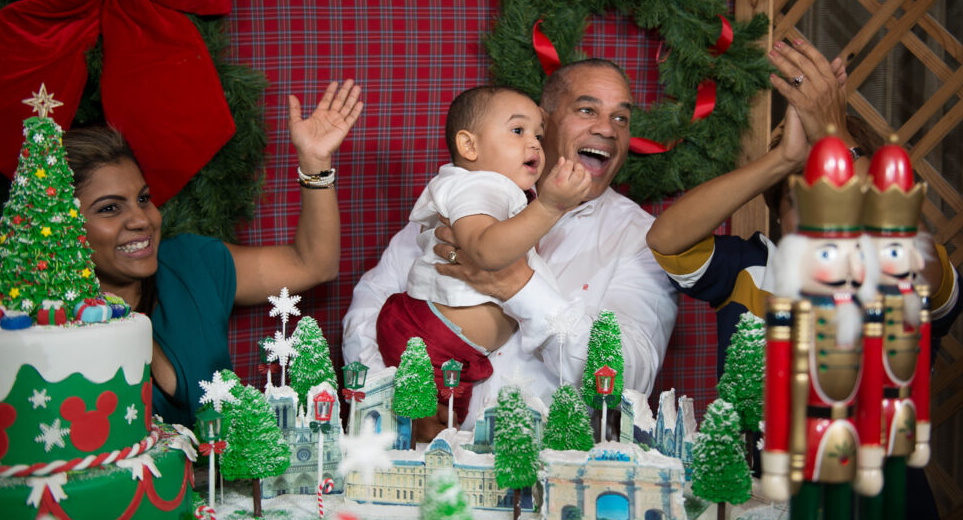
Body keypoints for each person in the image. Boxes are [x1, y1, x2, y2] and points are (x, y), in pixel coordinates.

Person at [645, 39, 963, 520]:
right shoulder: (752, 269)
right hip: (758, 516)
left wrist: (832, 135)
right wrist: (786, 158)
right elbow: (668, 240)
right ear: (779, 217)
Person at [343, 60, 679, 432]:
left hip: (549, 467)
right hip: (432, 461)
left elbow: (629, 377)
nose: (607, 129)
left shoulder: (642, 237)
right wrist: (398, 412)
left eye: (621, 119)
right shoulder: (470, 191)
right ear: (545, 122)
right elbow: (371, 308)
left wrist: (519, 286)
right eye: (587, 110)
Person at [64, 79, 363, 426]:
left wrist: (315, 164)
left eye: (143, 199)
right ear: (63, 225)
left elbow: (312, 264)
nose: (141, 220)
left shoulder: (190, 264)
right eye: (109, 209)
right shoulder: (42, 324)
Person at [376, 85, 591, 422]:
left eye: (538, 133)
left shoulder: (495, 189)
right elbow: (484, 252)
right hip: (431, 341)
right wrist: (551, 207)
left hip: (450, 346)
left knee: (439, 435)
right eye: (518, 131)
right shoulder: (478, 186)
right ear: (469, 145)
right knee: (426, 438)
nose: (535, 142)